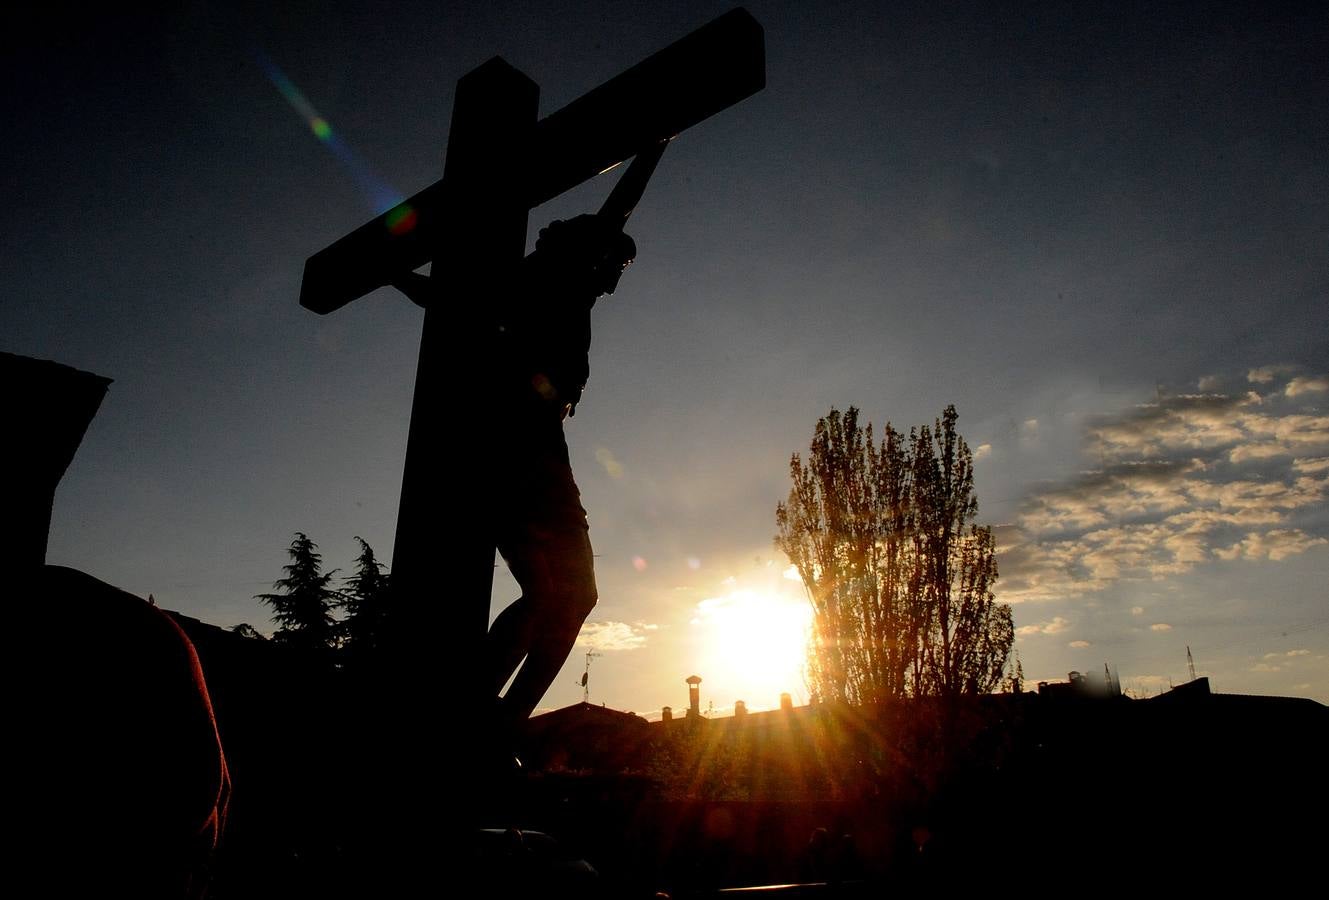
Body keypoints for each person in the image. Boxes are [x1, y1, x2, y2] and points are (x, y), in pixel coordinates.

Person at [392, 214, 635, 739]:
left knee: (572, 595)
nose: (615, 281)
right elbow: (450, 301)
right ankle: (473, 714)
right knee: (551, 593)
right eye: (616, 265)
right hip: (511, 448)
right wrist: (393, 271)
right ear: (590, 252)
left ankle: (494, 722)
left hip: (541, 450)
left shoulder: (572, 293)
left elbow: (447, 299)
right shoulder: (549, 283)